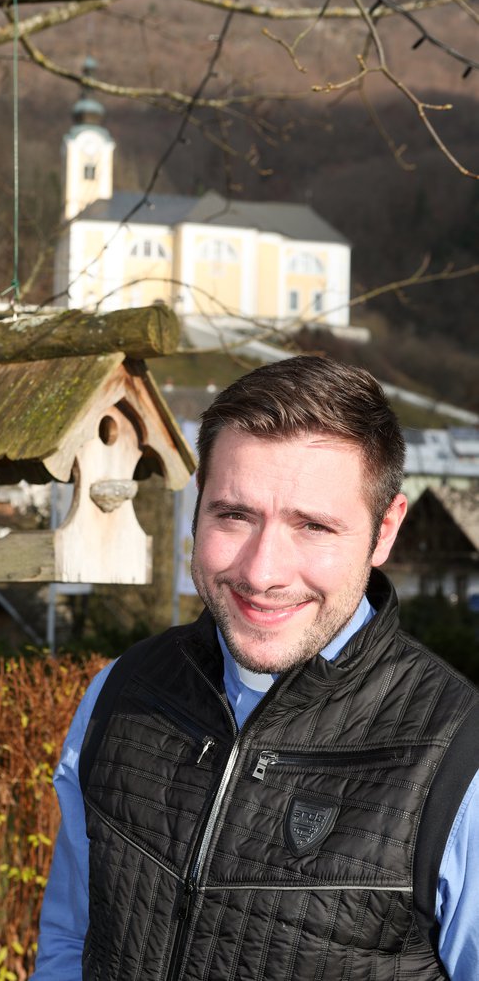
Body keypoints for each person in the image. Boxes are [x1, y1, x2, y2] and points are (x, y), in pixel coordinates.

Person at [32, 356, 479, 981]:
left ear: (384, 531)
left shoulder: (461, 763)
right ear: (197, 507)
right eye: (234, 515)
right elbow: (69, 938)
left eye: (314, 525)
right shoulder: (121, 692)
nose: (262, 571)